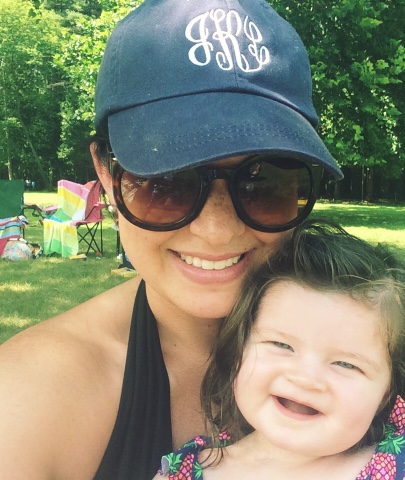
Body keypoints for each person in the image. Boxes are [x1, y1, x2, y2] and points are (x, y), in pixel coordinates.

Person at [0, 0, 343, 478]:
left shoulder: (386, 349)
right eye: (167, 181)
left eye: (263, 181)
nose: (217, 230)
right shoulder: (29, 399)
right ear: (106, 174)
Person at [156, 220, 405, 480]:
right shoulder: (183, 472)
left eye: (346, 364)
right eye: (281, 345)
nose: (306, 378)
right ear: (238, 350)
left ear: (385, 393)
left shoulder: (395, 472)